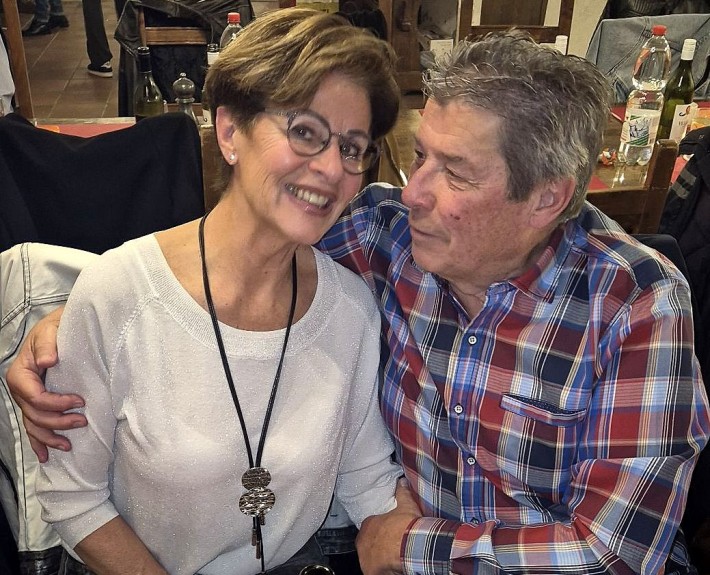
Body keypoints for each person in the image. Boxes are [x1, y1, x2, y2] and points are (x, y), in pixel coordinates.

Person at [7, 31, 710, 575]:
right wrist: (72, 318)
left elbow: (616, 554)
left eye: (455, 172)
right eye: (418, 155)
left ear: (547, 198)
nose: (413, 191)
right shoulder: (385, 233)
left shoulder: (635, 303)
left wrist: (409, 546)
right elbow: (225, 261)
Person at [7, 8, 402, 575]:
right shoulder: (119, 296)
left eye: (352, 148)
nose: (332, 169)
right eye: (304, 132)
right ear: (230, 132)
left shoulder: (351, 309)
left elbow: (367, 477)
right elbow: (73, 497)